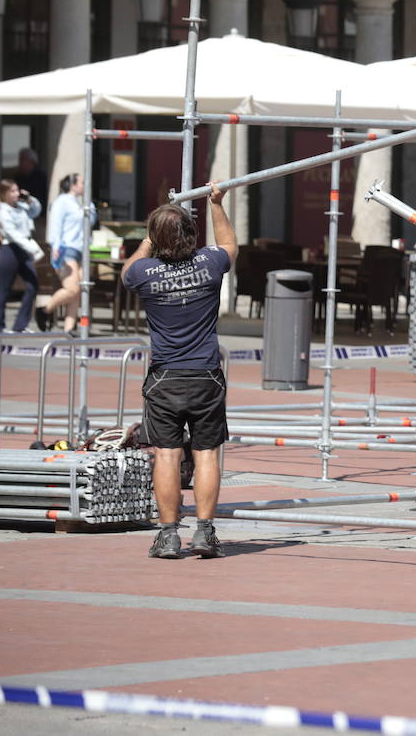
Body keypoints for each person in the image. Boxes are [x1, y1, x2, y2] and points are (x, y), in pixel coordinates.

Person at [122, 184, 237, 559]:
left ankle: (169, 535)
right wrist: (216, 205)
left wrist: (148, 240)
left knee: (167, 456)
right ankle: (204, 533)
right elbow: (229, 246)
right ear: (190, 234)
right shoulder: (209, 263)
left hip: (165, 377)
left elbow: (126, 270)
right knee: (206, 454)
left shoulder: (144, 272)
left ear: (156, 239)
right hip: (205, 374)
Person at [43, 173, 93, 335]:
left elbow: (90, 221)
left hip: (81, 250)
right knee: (71, 289)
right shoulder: (62, 201)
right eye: (82, 182)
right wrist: (55, 247)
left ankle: (69, 327)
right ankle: (45, 309)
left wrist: (89, 203)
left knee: (79, 290)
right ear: (73, 185)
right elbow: (55, 225)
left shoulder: (80, 203)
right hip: (66, 249)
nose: (85, 185)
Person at [0, 179, 43, 334]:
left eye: (17, 190)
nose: (15, 194)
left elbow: (36, 210)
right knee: (5, 288)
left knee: (33, 285)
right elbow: (12, 234)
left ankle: (20, 325)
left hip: (24, 250)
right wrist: (31, 248)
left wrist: (29, 199)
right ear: (5, 193)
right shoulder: (3, 211)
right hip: (11, 249)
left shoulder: (21, 206)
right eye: (12, 191)